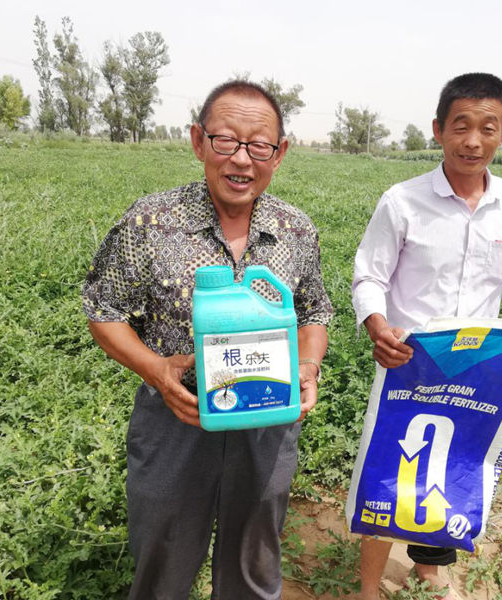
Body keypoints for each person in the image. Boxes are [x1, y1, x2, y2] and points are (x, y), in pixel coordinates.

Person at [82, 80, 332, 600]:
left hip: (267, 415)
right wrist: (156, 370)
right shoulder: (151, 222)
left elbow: (314, 313)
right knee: (163, 551)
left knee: (254, 555)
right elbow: (103, 312)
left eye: (258, 145)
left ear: (279, 153)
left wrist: (307, 366)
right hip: (178, 415)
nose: (241, 159)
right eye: (226, 140)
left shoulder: (296, 230)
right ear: (199, 141)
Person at [351, 73, 502, 600]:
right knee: (391, 467)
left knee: (453, 465)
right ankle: (368, 586)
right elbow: (369, 277)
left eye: (487, 128)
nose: (473, 141)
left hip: (476, 367)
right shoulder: (403, 202)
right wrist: (377, 325)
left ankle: (429, 570)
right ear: (438, 130)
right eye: (461, 126)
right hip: (410, 360)